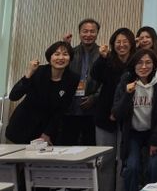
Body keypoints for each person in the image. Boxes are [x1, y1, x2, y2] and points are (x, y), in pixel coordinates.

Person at [112, 49, 157, 191]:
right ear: (133, 64)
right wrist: (127, 94)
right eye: (139, 63)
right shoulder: (126, 79)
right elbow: (117, 113)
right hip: (133, 133)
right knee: (131, 167)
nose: (144, 67)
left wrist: (155, 140)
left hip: (154, 132)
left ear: (154, 64)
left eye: (148, 62)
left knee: (154, 166)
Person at [6, 41, 79, 145]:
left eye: (65, 54)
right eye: (57, 54)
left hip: (45, 130)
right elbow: (14, 96)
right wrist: (29, 74)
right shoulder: (39, 71)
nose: (61, 58)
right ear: (49, 57)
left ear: (70, 58)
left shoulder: (73, 78)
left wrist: (47, 133)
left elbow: (62, 109)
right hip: (22, 124)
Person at [90, 28, 136, 191]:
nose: (121, 45)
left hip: (127, 118)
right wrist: (102, 58)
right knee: (105, 160)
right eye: (118, 42)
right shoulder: (107, 60)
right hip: (104, 116)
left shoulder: (137, 62)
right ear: (113, 44)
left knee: (124, 160)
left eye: (125, 42)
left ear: (131, 44)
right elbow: (95, 75)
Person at [62, 18, 101, 146]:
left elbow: (107, 82)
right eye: (85, 31)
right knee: (68, 145)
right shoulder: (71, 53)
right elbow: (62, 75)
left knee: (90, 146)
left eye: (92, 31)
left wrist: (94, 98)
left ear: (97, 33)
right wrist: (65, 46)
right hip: (71, 107)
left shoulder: (103, 54)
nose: (88, 34)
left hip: (93, 109)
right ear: (79, 33)